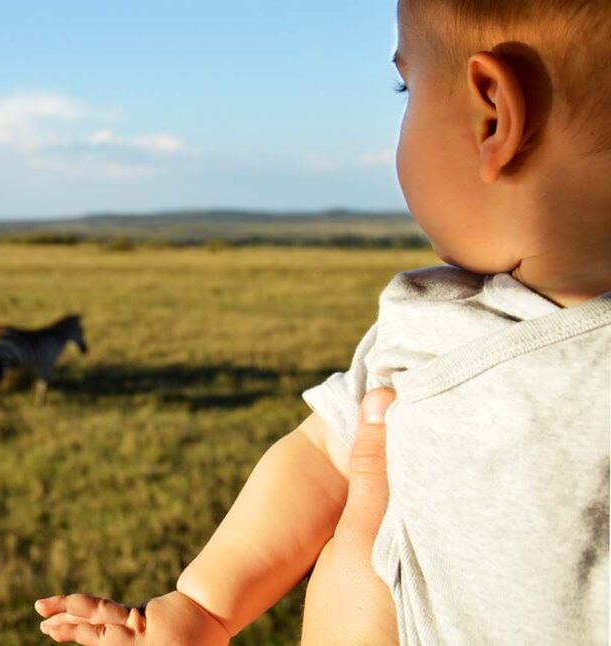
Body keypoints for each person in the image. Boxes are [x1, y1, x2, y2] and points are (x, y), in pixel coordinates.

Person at [36, 0, 611, 642]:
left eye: (406, 87)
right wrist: (203, 606)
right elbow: (320, 455)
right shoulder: (433, 319)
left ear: (492, 115)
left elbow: (325, 457)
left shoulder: (440, 328)